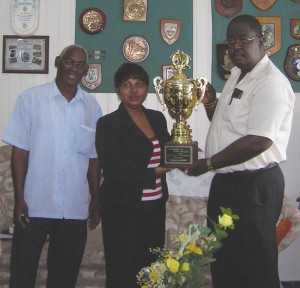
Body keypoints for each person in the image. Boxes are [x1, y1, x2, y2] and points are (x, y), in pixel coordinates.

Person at [186, 15, 295, 288]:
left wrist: (209, 163)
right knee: (225, 259)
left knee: (255, 263)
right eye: (231, 40)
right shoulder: (237, 74)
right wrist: (211, 104)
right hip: (229, 182)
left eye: (243, 39)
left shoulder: (271, 83)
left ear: (261, 41)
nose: (235, 46)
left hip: (253, 185)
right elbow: (229, 127)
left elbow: (259, 140)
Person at [2, 44, 103, 288]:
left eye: (79, 65)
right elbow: (20, 152)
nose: (73, 69)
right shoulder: (31, 99)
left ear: (85, 70)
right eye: (69, 62)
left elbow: (93, 158)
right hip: (35, 204)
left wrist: (95, 199)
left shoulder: (92, 107)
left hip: (74, 207)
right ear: (58, 62)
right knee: (22, 274)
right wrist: (19, 199)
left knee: (64, 277)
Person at [95, 63, 171, 288]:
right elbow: (112, 167)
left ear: (146, 88)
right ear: (118, 90)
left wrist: (184, 151)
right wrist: (156, 172)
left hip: (154, 207)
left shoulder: (157, 118)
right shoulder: (108, 124)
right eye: (127, 85)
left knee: (151, 268)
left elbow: (168, 148)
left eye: (139, 84)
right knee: (122, 269)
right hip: (121, 208)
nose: (134, 90)